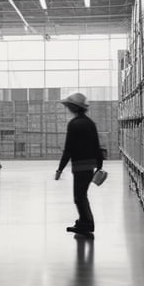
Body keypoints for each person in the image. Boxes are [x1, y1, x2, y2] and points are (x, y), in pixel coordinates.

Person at [54, 92, 103, 237]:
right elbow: (97, 146)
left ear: (74, 108)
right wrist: (99, 165)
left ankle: (87, 223)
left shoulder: (74, 124)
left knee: (79, 196)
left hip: (79, 166)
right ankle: (83, 221)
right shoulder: (90, 123)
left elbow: (68, 149)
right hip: (89, 166)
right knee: (82, 195)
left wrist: (60, 169)